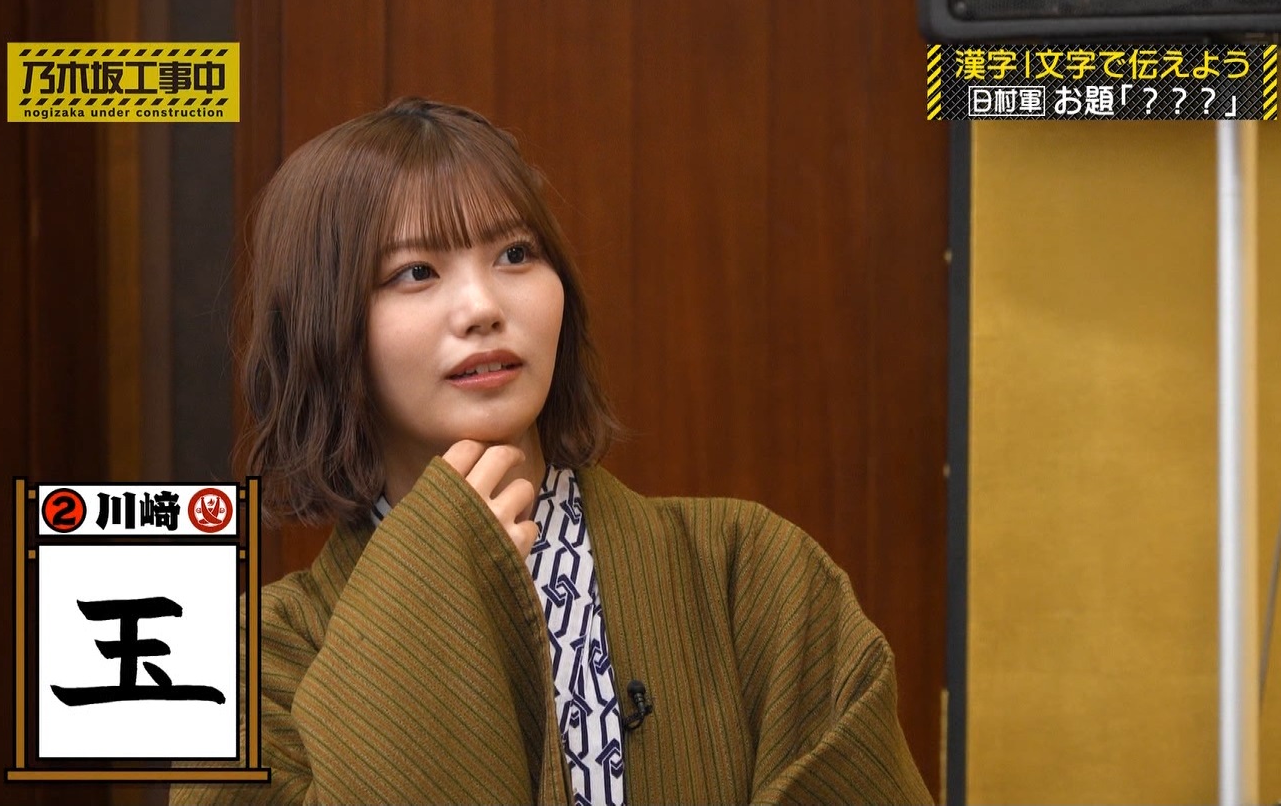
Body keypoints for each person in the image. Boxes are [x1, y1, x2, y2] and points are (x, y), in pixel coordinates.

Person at [170, 97, 931, 805]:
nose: (483, 307)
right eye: (416, 272)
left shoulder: (750, 570)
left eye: (515, 253)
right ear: (324, 325)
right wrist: (432, 571)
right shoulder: (247, 662)